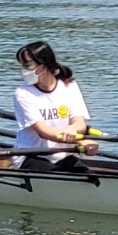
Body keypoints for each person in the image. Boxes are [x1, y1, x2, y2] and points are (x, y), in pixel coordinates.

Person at [12, 41, 98, 172]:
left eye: (27, 65)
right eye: (22, 65)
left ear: (44, 65)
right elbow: (44, 131)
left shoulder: (69, 85)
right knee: (59, 178)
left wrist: (73, 131)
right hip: (31, 155)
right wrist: (80, 141)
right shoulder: (23, 93)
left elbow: (79, 124)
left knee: (90, 178)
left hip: (63, 154)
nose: (23, 70)